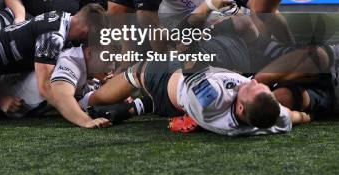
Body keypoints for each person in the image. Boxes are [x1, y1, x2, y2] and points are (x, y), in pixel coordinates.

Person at [87, 60, 309, 136]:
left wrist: (206, 12)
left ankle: (89, 100)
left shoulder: (212, 99)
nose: (253, 82)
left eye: (252, 88)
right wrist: (305, 116)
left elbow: (190, 63)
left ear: (240, 108)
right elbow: (290, 116)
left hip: (166, 83)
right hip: (180, 105)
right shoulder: (267, 118)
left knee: (137, 71)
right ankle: (138, 106)